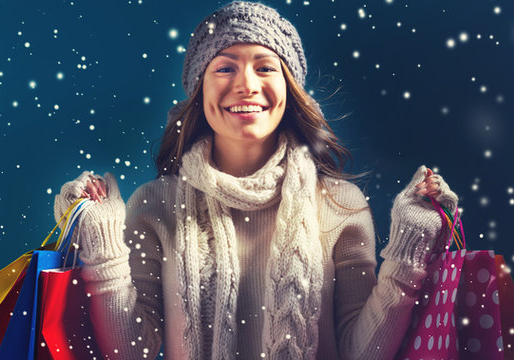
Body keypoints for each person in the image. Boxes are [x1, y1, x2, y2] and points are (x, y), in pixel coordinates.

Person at [52, 2, 458, 359]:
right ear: (199, 89)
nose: (246, 84)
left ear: (289, 89)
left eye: (265, 67)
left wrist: (410, 247)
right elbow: (131, 352)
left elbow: (361, 352)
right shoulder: (153, 203)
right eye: (225, 67)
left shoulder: (340, 203)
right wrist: (100, 240)